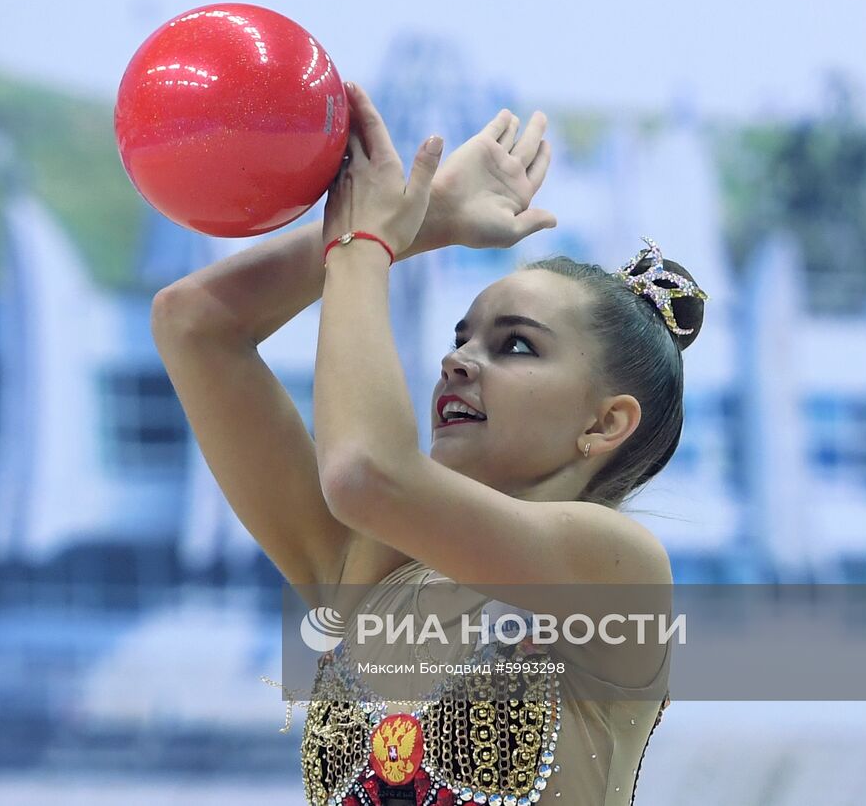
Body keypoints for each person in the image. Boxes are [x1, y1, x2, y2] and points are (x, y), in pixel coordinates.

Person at [151, 82, 707, 806]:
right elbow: (195, 322)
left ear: (606, 424)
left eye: (515, 345)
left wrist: (369, 243)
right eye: (460, 337)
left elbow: (363, 471)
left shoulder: (613, 567)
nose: (460, 360)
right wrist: (428, 218)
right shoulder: (369, 572)